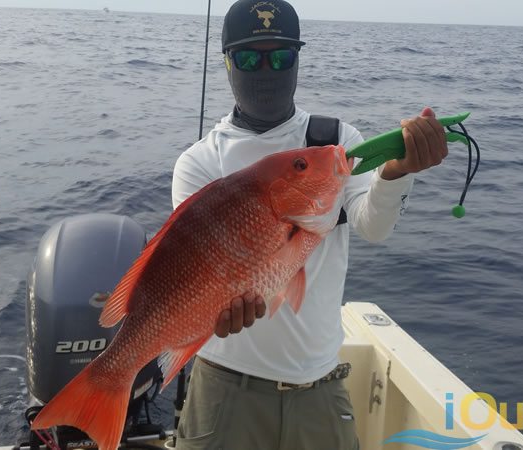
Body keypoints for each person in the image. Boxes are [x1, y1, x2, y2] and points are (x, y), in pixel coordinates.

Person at [171, 1, 447, 448]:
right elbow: (190, 275)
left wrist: (397, 172)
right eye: (248, 57)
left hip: (319, 387)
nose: (266, 69)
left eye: (280, 56)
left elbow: (372, 226)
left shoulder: (333, 142)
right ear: (226, 62)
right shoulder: (201, 161)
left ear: (298, 59)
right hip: (225, 389)